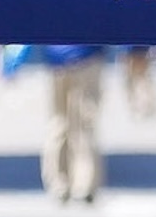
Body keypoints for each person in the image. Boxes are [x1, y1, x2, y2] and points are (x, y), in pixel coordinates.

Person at [38, 45, 108, 205]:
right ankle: (84, 184)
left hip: (57, 57)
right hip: (87, 55)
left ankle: (59, 182)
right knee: (83, 124)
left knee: (60, 122)